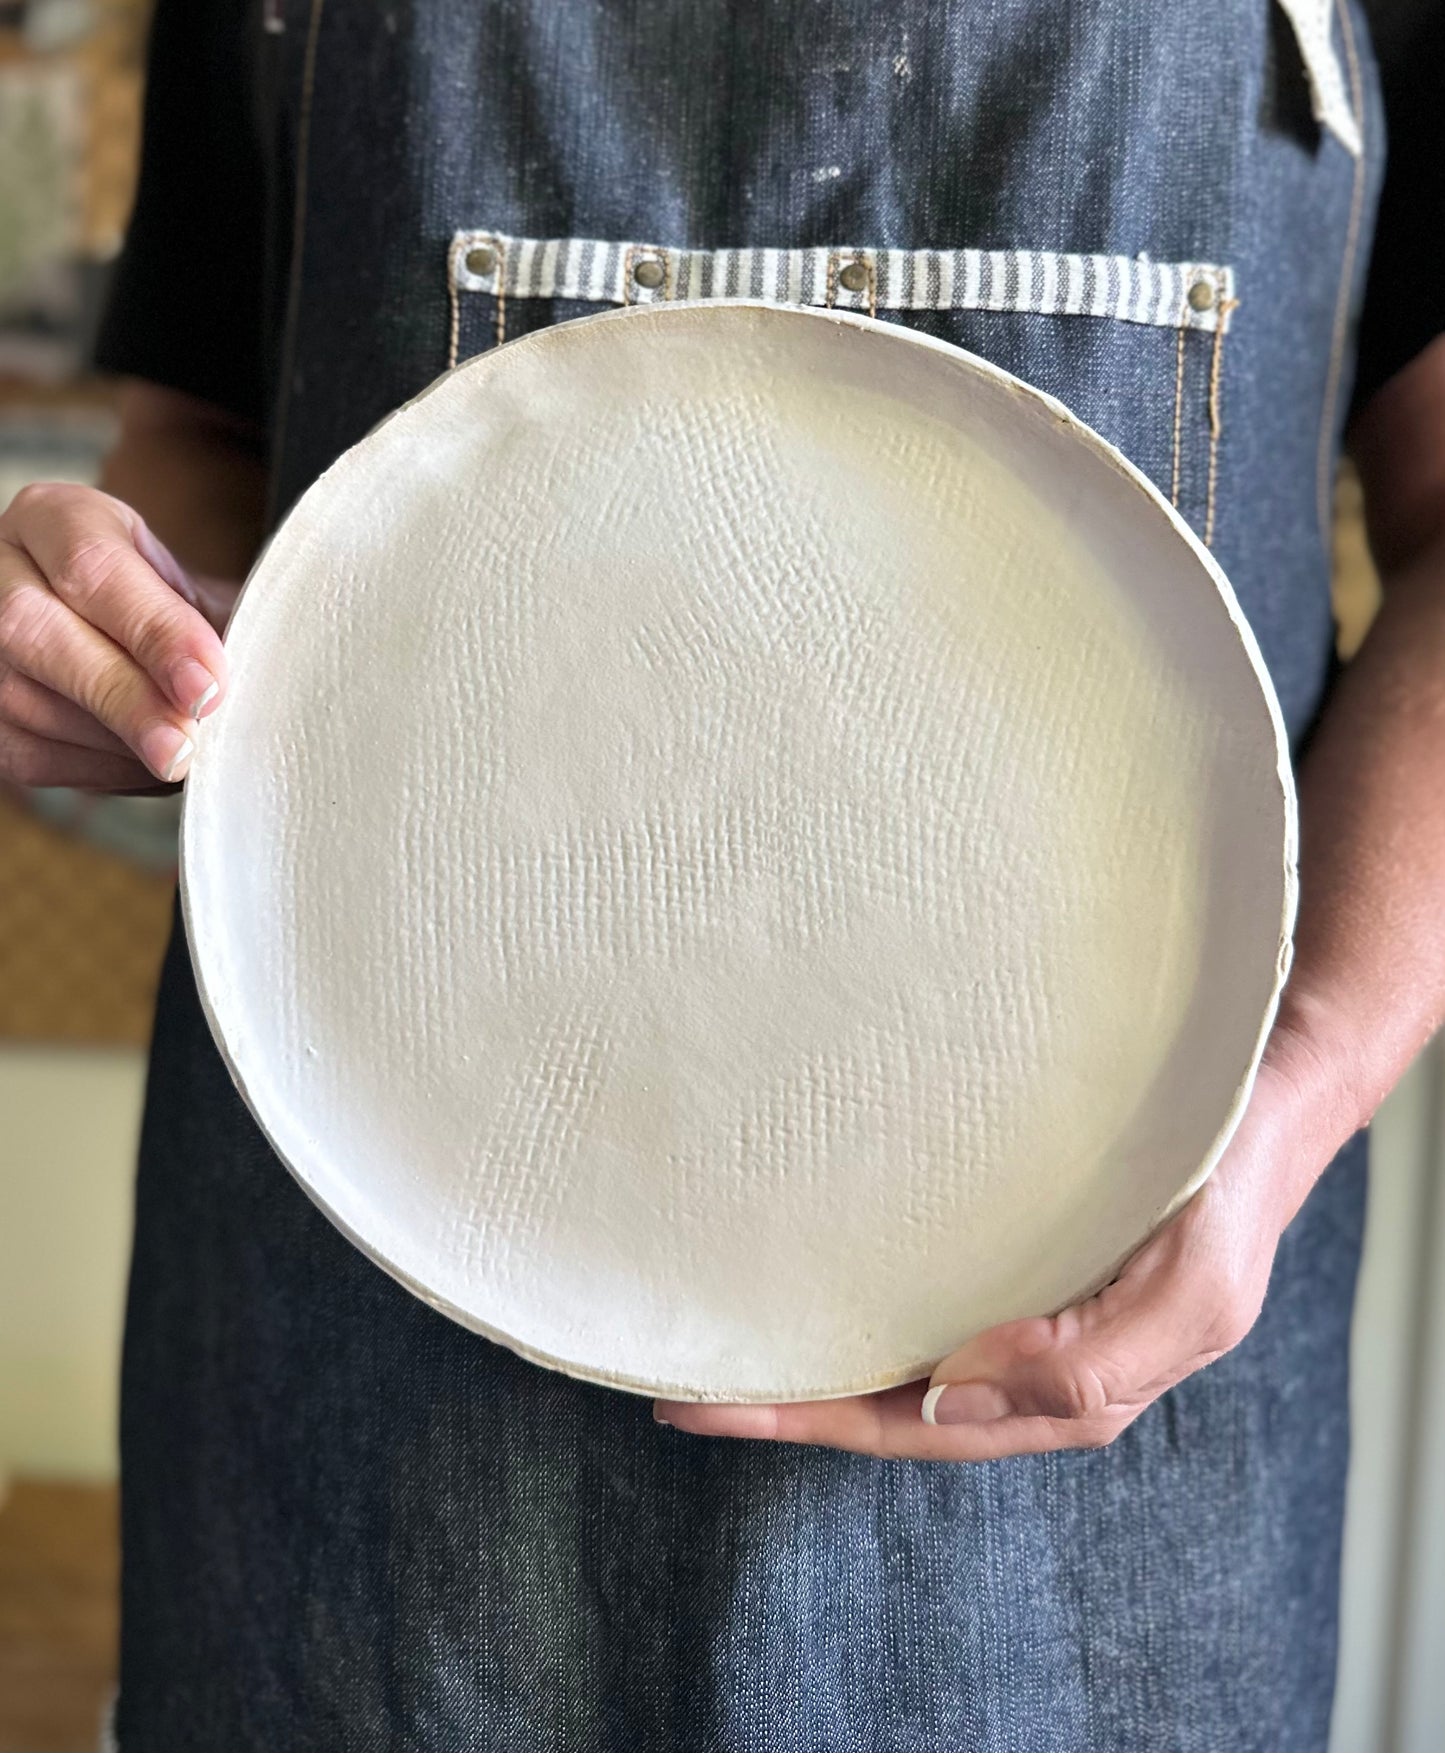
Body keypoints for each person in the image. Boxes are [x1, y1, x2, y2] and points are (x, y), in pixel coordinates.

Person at [0, 1, 1441, 1746]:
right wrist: (120, 628)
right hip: (370, 1392)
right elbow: (207, 438)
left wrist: (1287, 1101)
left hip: (1098, 1412)